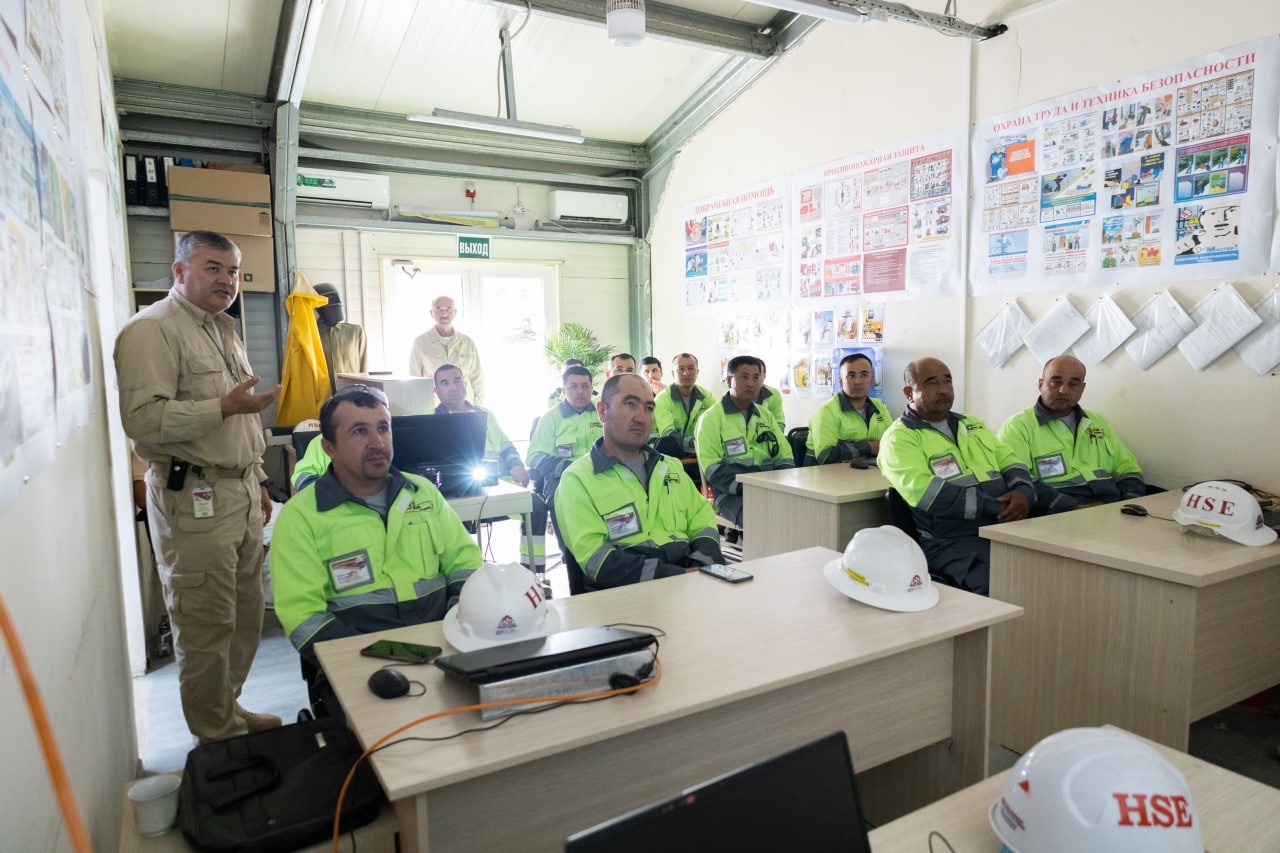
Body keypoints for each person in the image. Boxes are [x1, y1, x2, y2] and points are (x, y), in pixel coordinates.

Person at [114, 230, 282, 744]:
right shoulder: (152, 331)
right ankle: (215, 739)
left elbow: (243, 420)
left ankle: (226, 710)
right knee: (207, 622)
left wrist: (257, 478)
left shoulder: (222, 328)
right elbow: (142, 421)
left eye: (233, 271)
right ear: (179, 270)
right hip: (192, 497)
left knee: (246, 613)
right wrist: (222, 407)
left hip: (238, 489)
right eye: (213, 268)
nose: (227, 280)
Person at [270, 384, 481, 667]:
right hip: (357, 664)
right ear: (329, 447)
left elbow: (465, 563)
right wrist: (386, 659)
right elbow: (304, 619)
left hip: (445, 646)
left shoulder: (422, 492)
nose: (377, 442)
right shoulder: (301, 516)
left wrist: (459, 622)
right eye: (360, 431)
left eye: (383, 428)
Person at [878, 357, 1034, 595]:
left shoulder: (971, 424)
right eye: (931, 383)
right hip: (951, 540)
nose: (943, 389)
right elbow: (929, 494)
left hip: (1001, 527)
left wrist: (1023, 492)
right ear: (909, 393)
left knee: (1049, 568)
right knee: (1008, 583)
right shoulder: (899, 438)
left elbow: (1010, 460)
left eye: (947, 381)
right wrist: (996, 507)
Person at [556, 374, 723, 591]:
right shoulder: (577, 480)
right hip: (626, 592)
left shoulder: (670, 466)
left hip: (690, 580)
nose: (641, 418)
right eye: (630, 404)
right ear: (602, 411)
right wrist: (676, 577)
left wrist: (702, 564)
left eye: (649, 408)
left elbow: (704, 522)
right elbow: (598, 560)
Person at [433, 363, 549, 573]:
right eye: (445, 383)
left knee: (537, 507)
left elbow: (505, 445)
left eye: (457, 381)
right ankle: (463, 576)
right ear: (436, 390)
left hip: (499, 483)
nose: (453, 387)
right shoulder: (431, 420)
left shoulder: (484, 414)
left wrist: (516, 465)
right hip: (456, 489)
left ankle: (533, 572)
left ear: (465, 384)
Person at [997, 355, 1144, 512]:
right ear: (1040, 384)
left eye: (1073, 384)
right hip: (1055, 512)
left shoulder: (1096, 422)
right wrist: (1073, 507)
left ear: (1082, 388)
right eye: (1056, 382)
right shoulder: (1017, 426)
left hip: (1109, 507)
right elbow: (1020, 483)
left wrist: (1129, 503)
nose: (1063, 390)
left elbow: (1128, 469)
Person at [695, 355, 794, 527]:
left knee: (800, 510)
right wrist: (751, 487)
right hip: (730, 493)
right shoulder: (711, 418)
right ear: (729, 380)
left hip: (769, 487)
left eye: (756, 378)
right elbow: (713, 469)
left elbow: (785, 457)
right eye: (744, 377)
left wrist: (779, 486)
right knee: (762, 517)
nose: (751, 383)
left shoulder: (765, 415)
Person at [527, 364, 603, 510]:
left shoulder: (602, 413)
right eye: (573, 386)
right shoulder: (550, 418)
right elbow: (534, 457)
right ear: (564, 391)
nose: (579, 391)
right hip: (562, 479)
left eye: (585, 386)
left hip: (600, 475)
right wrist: (568, 467)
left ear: (592, 389)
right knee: (565, 510)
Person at [805, 353, 892, 464]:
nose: (858, 381)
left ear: (871, 380)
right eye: (851, 376)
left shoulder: (879, 406)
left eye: (864, 375)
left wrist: (858, 454)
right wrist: (870, 446)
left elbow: (893, 443)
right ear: (841, 381)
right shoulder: (826, 411)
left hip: (866, 470)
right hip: (823, 473)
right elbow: (825, 456)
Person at [408, 295, 484, 403]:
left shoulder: (467, 342)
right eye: (439, 309)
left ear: (455, 312)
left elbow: (478, 379)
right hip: (434, 408)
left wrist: (478, 408)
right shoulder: (420, 343)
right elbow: (414, 382)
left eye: (448, 309)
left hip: (466, 407)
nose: (444, 314)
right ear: (431, 313)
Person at [652, 352, 712, 459]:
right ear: (673, 373)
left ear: (697, 372)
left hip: (701, 455)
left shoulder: (707, 397)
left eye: (690, 368)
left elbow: (718, 427)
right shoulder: (662, 399)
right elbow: (668, 436)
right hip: (670, 457)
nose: (686, 373)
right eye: (681, 369)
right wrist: (698, 443)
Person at [313, 283, 367, 395]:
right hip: (323, 397)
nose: (333, 304)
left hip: (352, 396)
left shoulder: (355, 332)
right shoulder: (311, 335)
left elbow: (364, 367)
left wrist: (364, 395)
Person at [756, 362, 786, 431]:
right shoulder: (734, 396)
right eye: (745, 377)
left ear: (764, 376)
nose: (751, 382)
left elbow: (780, 424)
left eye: (756, 376)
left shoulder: (773, 394)